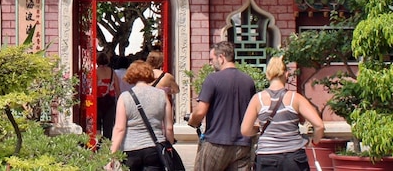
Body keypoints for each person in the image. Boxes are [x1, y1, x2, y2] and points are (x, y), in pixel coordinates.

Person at [240, 56, 325, 171]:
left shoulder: (257, 99)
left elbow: (245, 130)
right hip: (294, 158)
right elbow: (319, 125)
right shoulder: (295, 98)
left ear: (268, 75)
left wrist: (259, 128)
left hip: (267, 157)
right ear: (286, 74)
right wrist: (314, 142)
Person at [187, 41, 256, 171]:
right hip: (242, 145)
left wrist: (192, 120)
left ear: (221, 57)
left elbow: (200, 112)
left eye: (212, 59)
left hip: (216, 142)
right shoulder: (248, 81)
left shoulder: (212, 79)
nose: (210, 63)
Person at [111, 60, 175, 171]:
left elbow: (119, 129)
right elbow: (169, 127)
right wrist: (170, 147)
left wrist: (112, 154)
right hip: (155, 148)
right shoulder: (161, 95)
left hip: (131, 148)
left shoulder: (124, 97)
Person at [97, 51, 121, 140]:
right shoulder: (112, 72)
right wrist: (119, 100)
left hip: (98, 100)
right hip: (110, 100)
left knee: (97, 124)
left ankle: (98, 143)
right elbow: (117, 88)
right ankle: (107, 144)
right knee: (108, 124)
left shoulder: (95, 72)